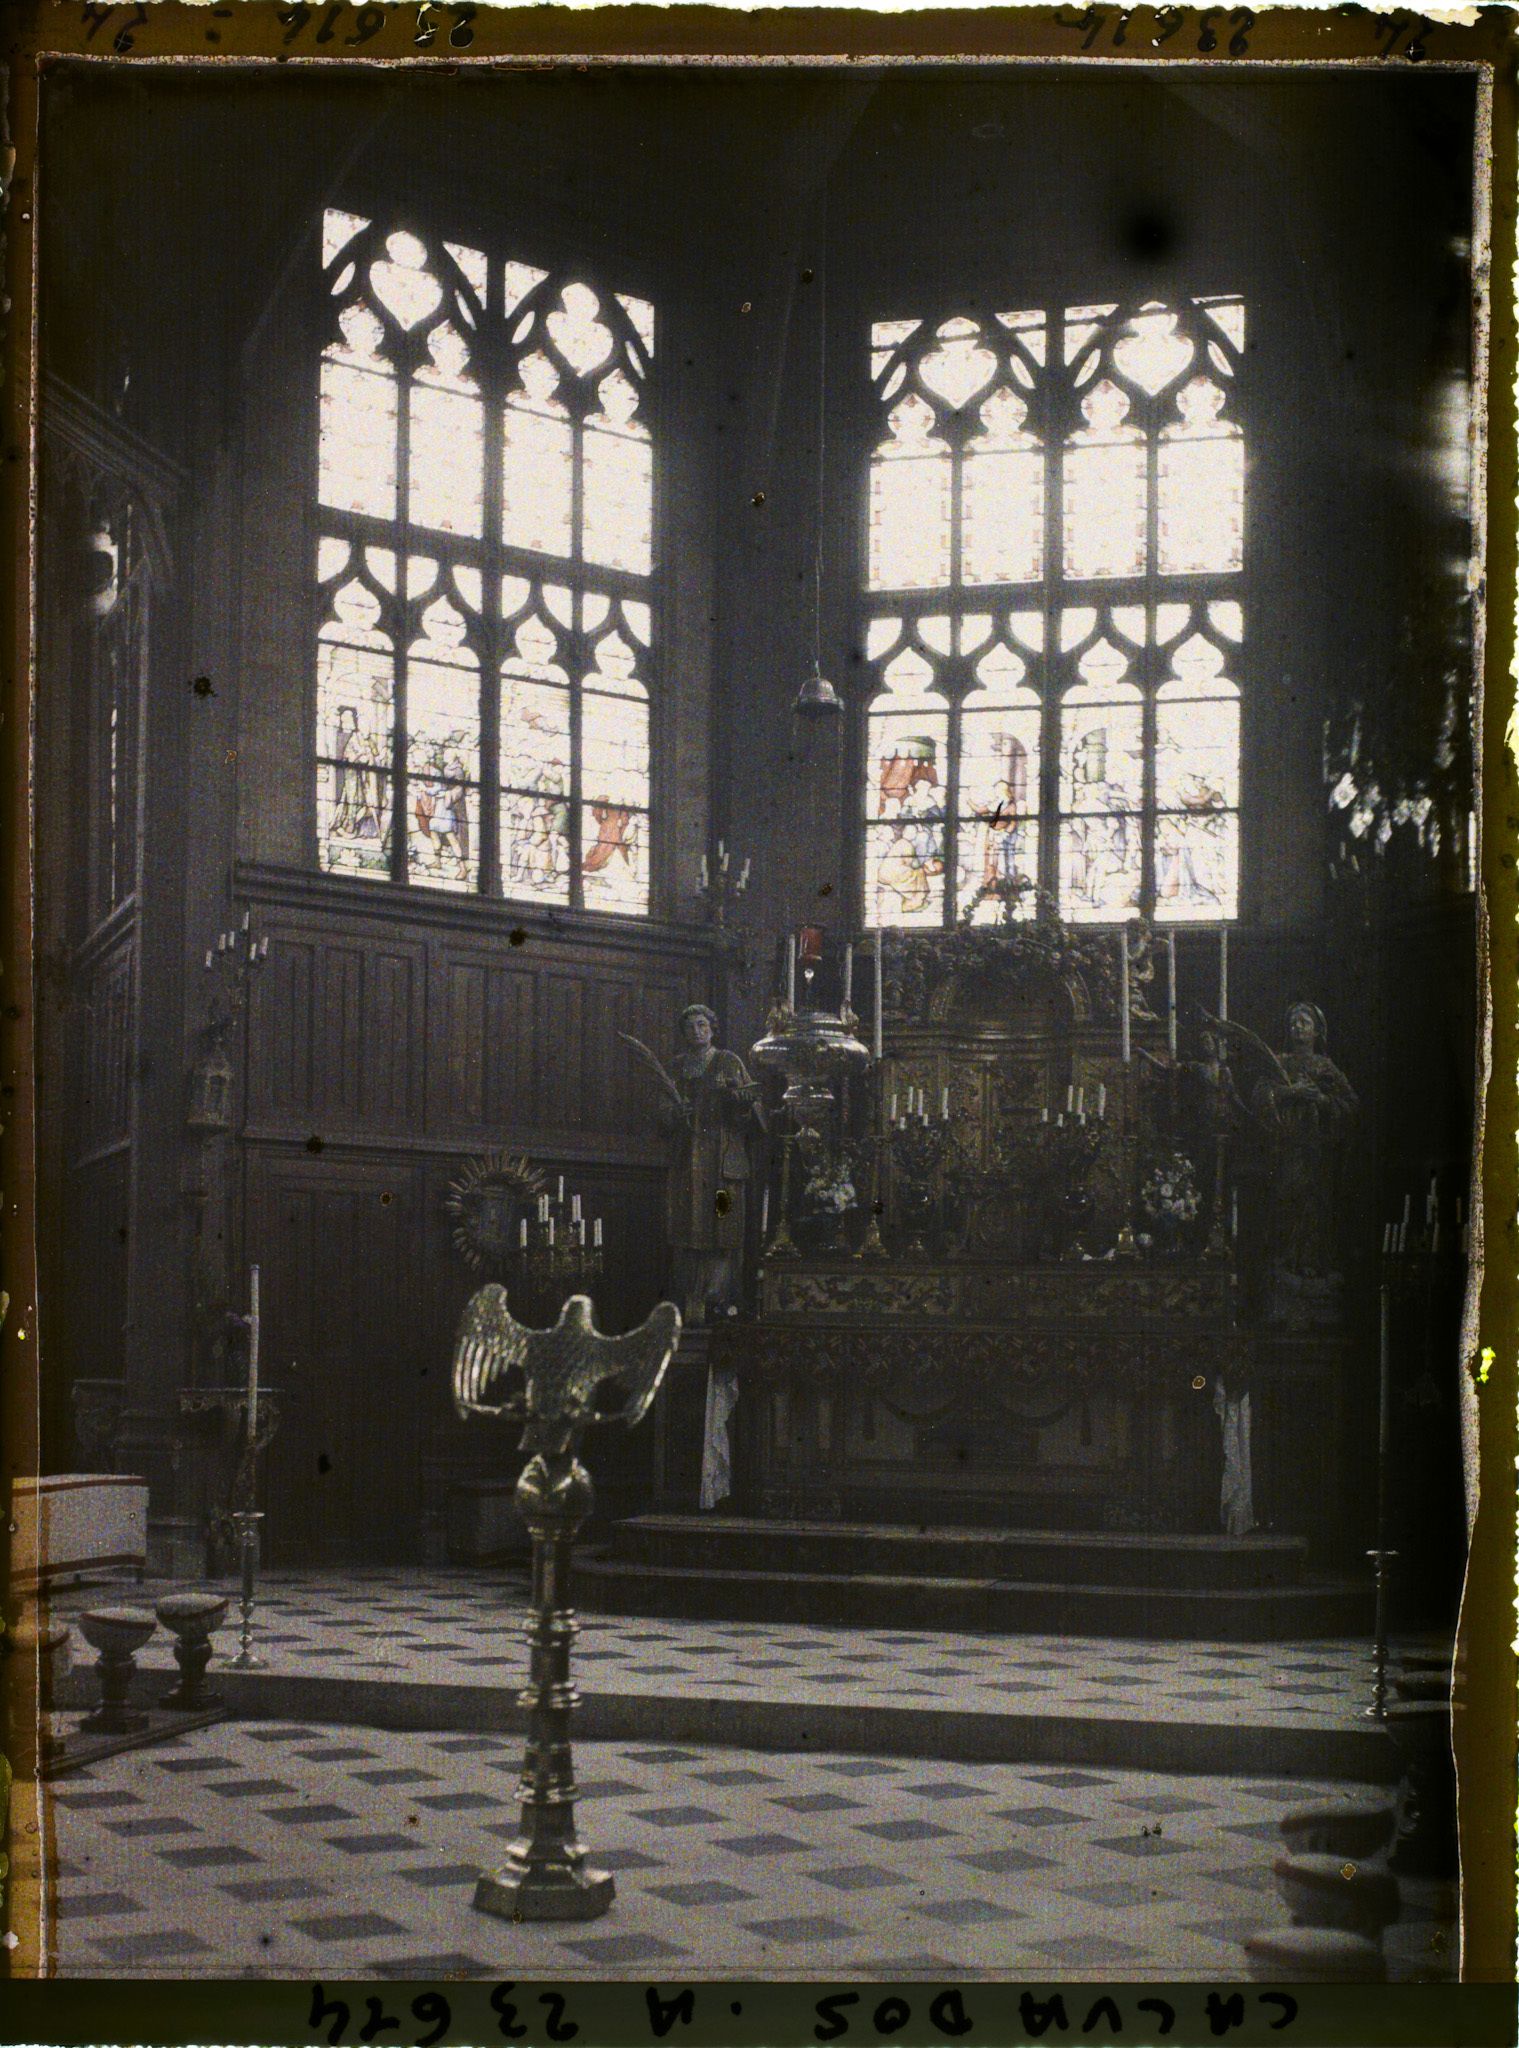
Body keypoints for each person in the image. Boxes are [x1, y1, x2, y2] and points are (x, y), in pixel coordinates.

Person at [660, 1005, 764, 1325]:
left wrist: (738, 1102)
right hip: (688, 1165)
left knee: (723, 1224)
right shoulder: (676, 1067)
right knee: (688, 1228)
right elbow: (661, 1115)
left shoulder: (729, 1061)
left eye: (702, 1025)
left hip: (723, 1166)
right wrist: (676, 1113)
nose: (697, 1031)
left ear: (712, 1028)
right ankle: (689, 1299)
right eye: (690, 1026)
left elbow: (753, 1113)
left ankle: (721, 1299)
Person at [1250, 1001, 1358, 1282]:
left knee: (1314, 1205)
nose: (1297, 1027)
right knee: (1286, 1201)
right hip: (1285, 1147)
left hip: (1315, 1150)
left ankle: (1310, 1263)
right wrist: (1291, 1092)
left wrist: (1321, 1100)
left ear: (1316, 1031)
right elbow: (1260, 1096)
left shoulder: (1326, 1066)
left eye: (1304, 1023)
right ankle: (1284, 1264)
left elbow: (1350, 1105)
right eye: (1293, 1023)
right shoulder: (1279, 1062)